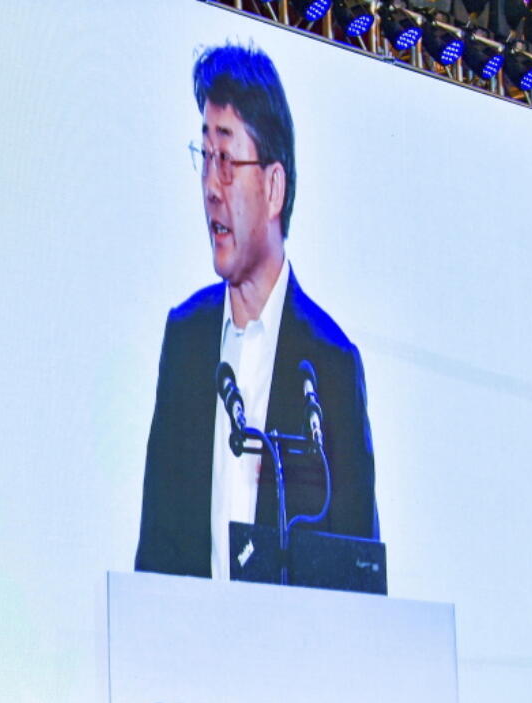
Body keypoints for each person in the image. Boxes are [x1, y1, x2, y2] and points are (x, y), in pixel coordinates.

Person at [135, 43, 378, 580]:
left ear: (273, 187)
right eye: (204, 158)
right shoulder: (187, 339)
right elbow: (156, 549)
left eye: (227, 159)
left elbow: (360, 573)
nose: (210, 187)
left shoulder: (330, 365)